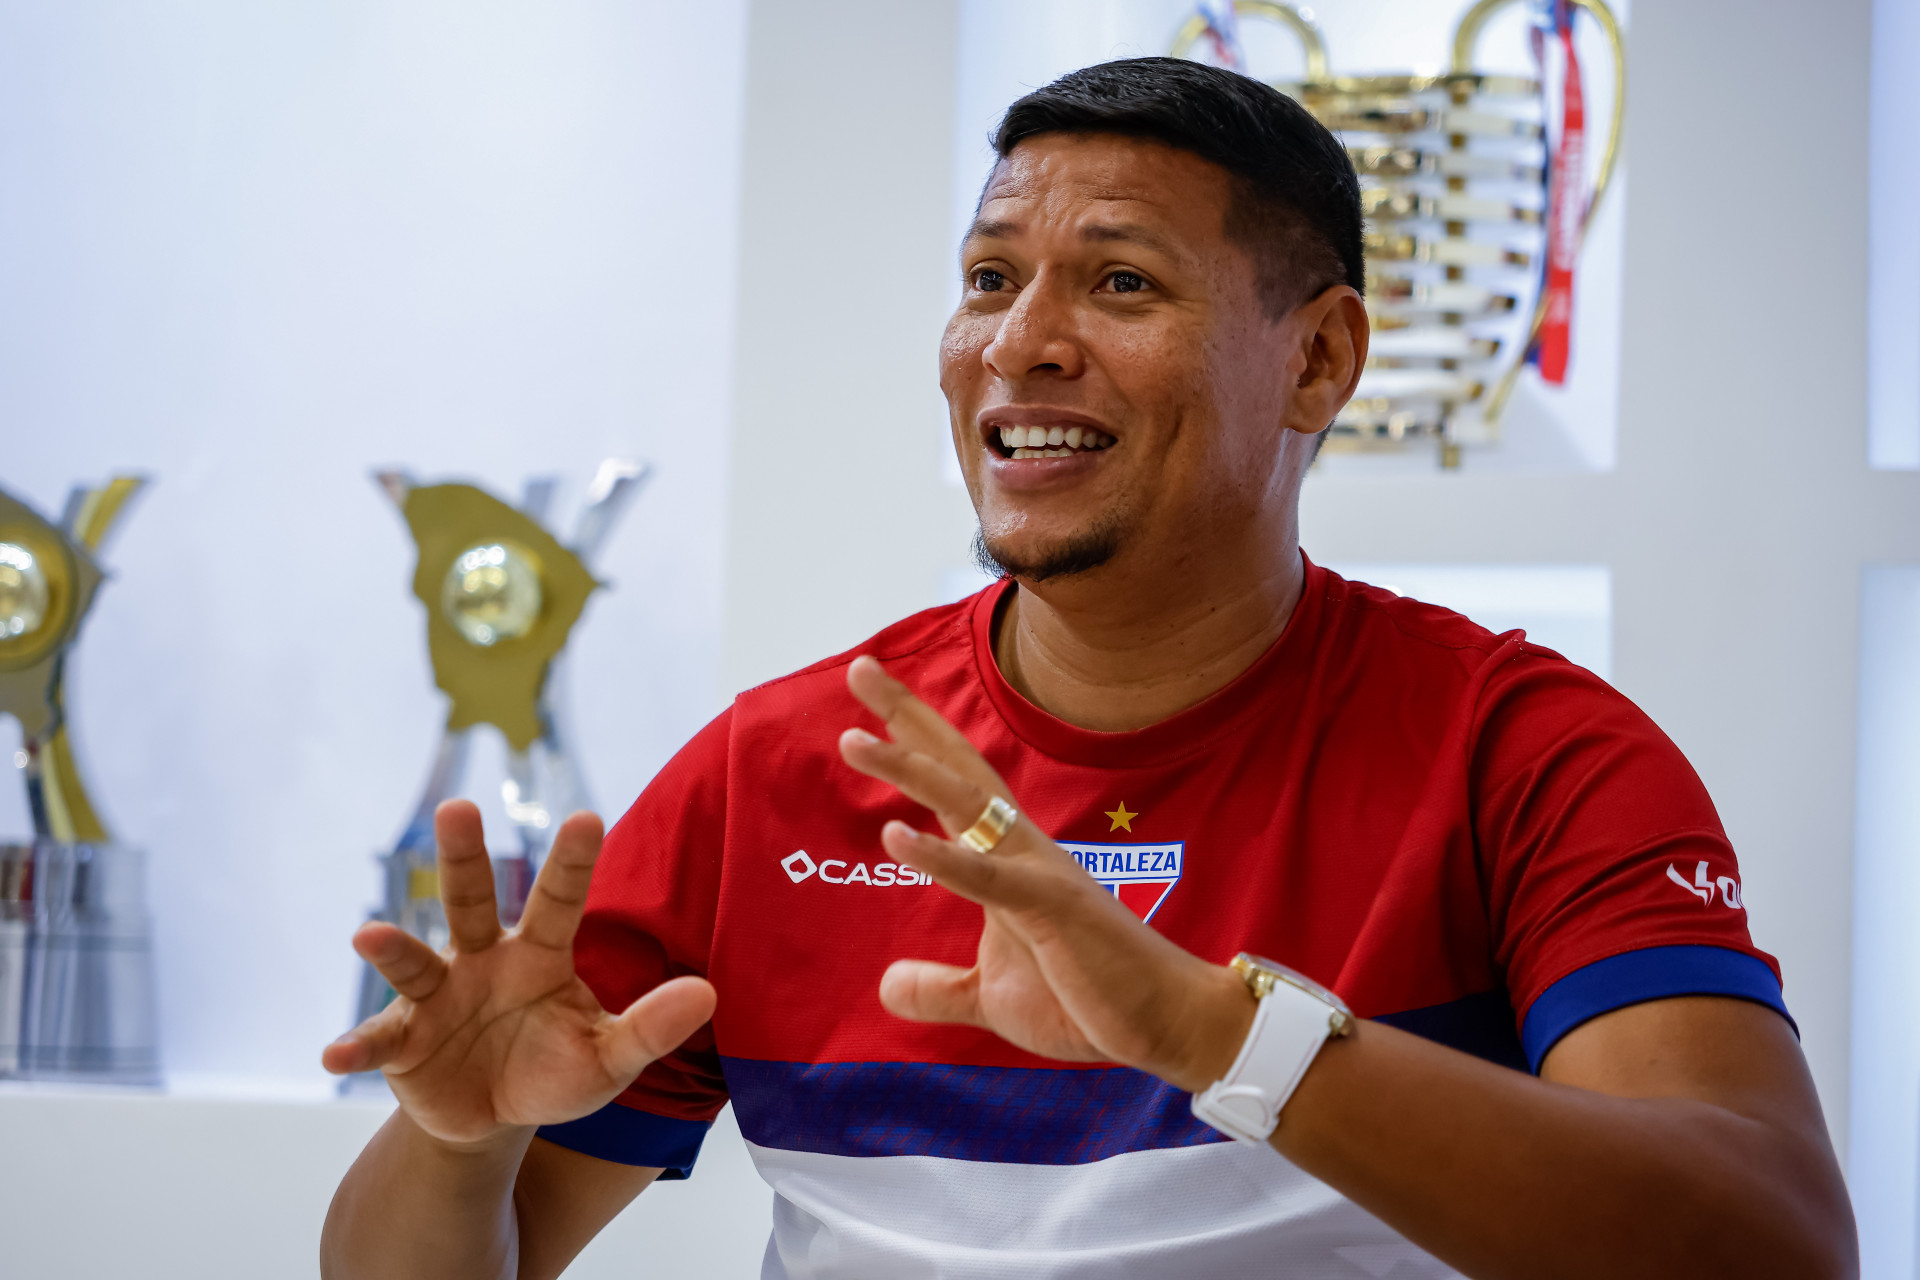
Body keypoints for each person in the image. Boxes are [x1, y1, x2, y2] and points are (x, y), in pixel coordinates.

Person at [319, 58, 1855, 1280]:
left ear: (1318, 359)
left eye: (1120, 285)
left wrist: (1218, 1035)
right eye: (990, 279)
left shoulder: (1525, 753)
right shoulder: (777, 768)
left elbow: (1769, 1246)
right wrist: (456, 1150)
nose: (1019, 344)